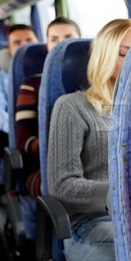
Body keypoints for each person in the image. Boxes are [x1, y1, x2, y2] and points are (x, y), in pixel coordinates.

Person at [47, 18, 131, 261]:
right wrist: (121, 195)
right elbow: (63, 186)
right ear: (105, 56)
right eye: (125, 54)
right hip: (91, 223)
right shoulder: (72, 107)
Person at [15, 17, 81, 198]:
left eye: (68, 37)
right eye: (54, 39)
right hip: (44, 168)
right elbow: (23, 139)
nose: (61, 44)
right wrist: (62, 151)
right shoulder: (32, 84)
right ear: (47, 46)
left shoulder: (96, 81)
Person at [0, 24, 38, 134]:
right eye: (17, 43)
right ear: (9, 50)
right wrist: (18, 129)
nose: (24, 47)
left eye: (29, 40)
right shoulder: (0, 77)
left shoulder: (50, 73)